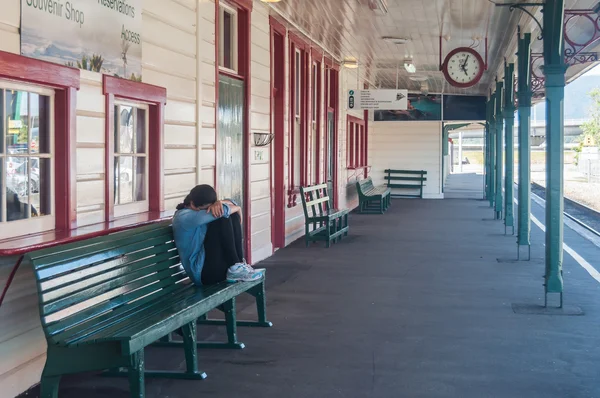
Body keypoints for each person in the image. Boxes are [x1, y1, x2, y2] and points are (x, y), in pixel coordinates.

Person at [172, 184, 264, 286]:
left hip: (212, 264)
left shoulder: (196, 208)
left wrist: (220, 203)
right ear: (193, 204)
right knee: (221, 216)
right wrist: (237, 208)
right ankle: (235, 266)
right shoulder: (184, 217)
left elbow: (228, 205)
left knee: (227, 214)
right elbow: (224, 210)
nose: (209, 210)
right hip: (203, 273)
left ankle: (238, 265)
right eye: (206, 208)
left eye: (212, 206)